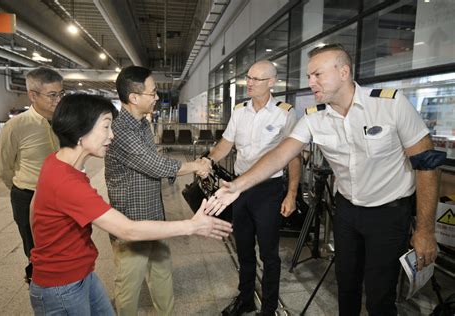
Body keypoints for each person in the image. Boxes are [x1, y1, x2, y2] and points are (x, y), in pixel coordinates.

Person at [206, 44, 444, 316]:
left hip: (388, 215)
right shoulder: (314, 117)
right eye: (309, 76)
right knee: (346, 287)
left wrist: (425, 230)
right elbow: (280, 155)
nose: (311, 82)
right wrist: (236, 186)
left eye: (317, 75)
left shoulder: (389, 104)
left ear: (343, 72)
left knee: (380, 295)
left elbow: (426, 165)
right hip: (346, 212)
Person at [28, 94, 232, 315]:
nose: (112, 135)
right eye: (106, 127)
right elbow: (128, 229)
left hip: (81, 274)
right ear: (80, 132)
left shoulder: (58, 162)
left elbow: (34, 208)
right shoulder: (67, 182)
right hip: (62, 287)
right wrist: (193, 226)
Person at [104, 66, 212, 316]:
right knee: (129, 285)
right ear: (134, 97)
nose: (156, 97)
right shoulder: (121, 130)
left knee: (162, 274)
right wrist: (196, 165)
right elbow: (155, 165)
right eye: (152, 93)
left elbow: (154, 164)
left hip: (154, 214)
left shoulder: (142, 125)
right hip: (131, 222)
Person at [207, 60, 301, 316]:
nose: (249, 83)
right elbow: (226, 144)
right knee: (244, 248)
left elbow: (293, 156)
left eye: (256, 79)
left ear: (271, 82)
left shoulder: (285, 112)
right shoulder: (239, 111)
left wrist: (291, 194)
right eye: (248, 77)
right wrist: (206, 161)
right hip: (240, 189)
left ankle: (269, 309)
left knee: (269, 254)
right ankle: (246, 298)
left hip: (268, 190)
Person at [0, 67, 64, 283]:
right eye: (52, 95)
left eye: (61, 94)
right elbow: (4, 167)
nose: (58, 100)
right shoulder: (16, 126)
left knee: (62, 247)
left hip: (61, 196)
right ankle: (39, 283)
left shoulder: (64, 122)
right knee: (34, 248)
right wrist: (21, 189)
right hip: (28, 196)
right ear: (33, 95)